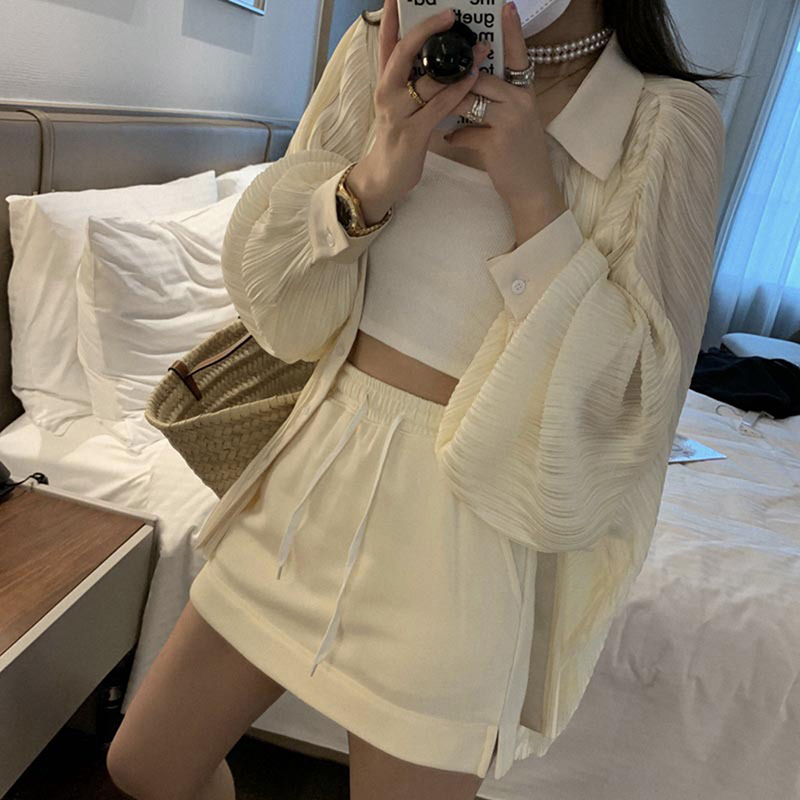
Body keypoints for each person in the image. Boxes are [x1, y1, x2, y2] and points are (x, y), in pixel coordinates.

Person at [106, 1, 731, 798]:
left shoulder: (664, 121)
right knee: (145, 765)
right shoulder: (381, 44)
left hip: (463, 537)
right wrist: (372, 179)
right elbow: (275, 303)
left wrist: (536, 201)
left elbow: (633, 406)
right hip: (309, 480)